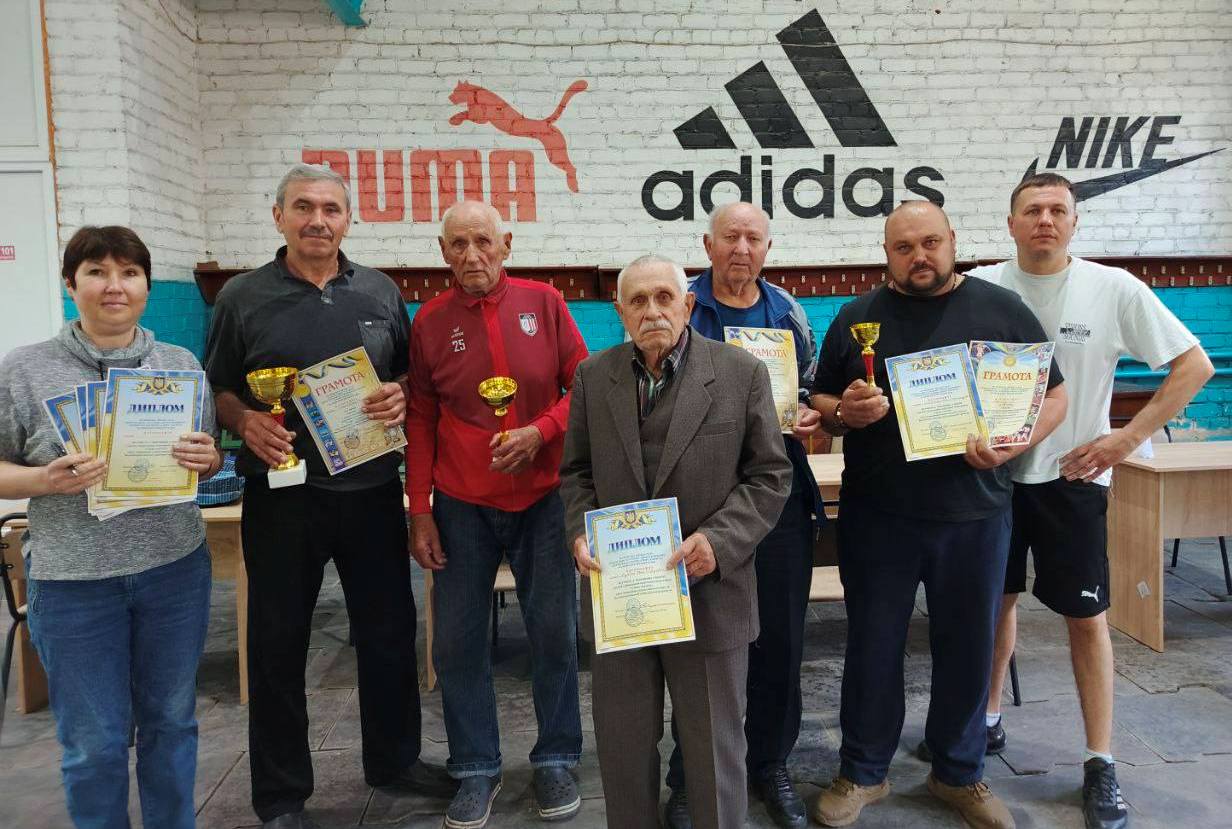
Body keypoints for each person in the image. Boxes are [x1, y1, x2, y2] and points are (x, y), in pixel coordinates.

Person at [204, 164, 453, 829]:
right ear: (279, 215)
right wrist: (244, 420)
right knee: (278, 643)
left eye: (331, 208)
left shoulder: (378, 290)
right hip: (281, 497)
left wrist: (400, 392)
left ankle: (395, 760)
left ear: (348, 218)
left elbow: (407, 373)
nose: (318, 219)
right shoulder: (241, 297)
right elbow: (218, 385)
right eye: (304, 207)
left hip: (371, 491)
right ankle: (281, 794)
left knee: (390, 633)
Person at [809, 201, 1068, 829]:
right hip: (879, 516)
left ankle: (959, 772)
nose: (918, 256)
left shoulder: (1002, 310)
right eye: (904, 248)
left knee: (969, 647)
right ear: (886, 254)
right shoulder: (856, 316)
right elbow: (820, 396)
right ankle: (863, 771)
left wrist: (1014, 444)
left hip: (975, 514)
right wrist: (844, 412)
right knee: (872, 645)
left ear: (952, 240)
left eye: (929, 242)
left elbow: (1054, 395)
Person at [967, 173, 1213, 829]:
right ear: (1011, 224)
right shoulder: (980, 287)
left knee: (1086, 617)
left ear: (1075, 222)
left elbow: (1195, 365)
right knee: (995, 603)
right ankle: (986, 719)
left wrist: (1124, 439)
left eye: (1058, 210)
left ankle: (1100, 760)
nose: (1045, 220)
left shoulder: (1113, 288)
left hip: (1073, 479)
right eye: (1032, 210)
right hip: (992, 478)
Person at [0, 225, 222, 829]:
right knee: (94, 743)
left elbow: (207, 457)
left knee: (171, 724)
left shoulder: (179, 364)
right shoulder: (24, 370)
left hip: (174, 572)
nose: (114, 286)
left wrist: (208, 458)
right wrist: (44, 480)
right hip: (74, 583)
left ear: (147, 285)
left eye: (129, 272)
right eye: (96, 272)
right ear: (70, 284)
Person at [560, 253, 792, 829]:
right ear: (620, 312)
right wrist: (580, 532)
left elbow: (770, 475)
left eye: (664, 297)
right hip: (622, 599)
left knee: (715, 754)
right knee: (622, 749)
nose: (652, 311)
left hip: (710, 594)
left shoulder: (740, 373)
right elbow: (577, 473)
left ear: (688, 305)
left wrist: (718, 541)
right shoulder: (593, 376)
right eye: (638, 301)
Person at [406, 200, 587, 828]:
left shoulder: (545, 303)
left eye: (483, 241)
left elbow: (584, 386)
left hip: (544, 497)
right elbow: (420, 416)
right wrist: (420, 509)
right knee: (456, 642)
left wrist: (540, 432)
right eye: (458, 244)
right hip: (461, 503)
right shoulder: (430, 321)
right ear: (443, 252)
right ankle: (475, 766)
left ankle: (557, 756)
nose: (472, 255)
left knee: (555, 634)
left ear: (505, 243)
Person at [663, 202, 824, 829]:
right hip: (697, 502)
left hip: (774, 496)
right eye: (729, 236)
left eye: (753, 238)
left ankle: (771, 762)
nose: (741, 248)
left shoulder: (788, 313)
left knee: (780, 640)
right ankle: (690, 773)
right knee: (701, 644)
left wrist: (808, 414)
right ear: (707, 245)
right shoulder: (679, 304)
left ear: (767, 248)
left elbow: (808, 392)